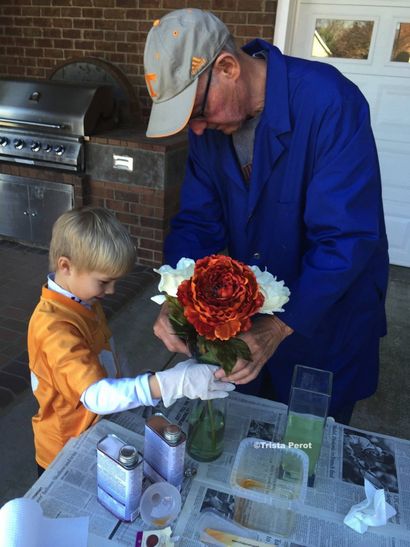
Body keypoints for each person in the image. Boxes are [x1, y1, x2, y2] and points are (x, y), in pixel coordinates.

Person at [143, 8, 389, 424]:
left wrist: (278, 327)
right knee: (247, 448)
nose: (196, 130)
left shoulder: (330, 102)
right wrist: (176, 299)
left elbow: (346, 239)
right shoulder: (210, 129)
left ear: (227, 67)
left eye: (198, 112)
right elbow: (198, 223)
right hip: (247, 325)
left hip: (326, 321)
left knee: (305, 451)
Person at [28, 207, 234, 474]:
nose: (112, 290)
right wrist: (168, 383)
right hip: (64, 450)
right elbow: (96, 396)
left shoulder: (82, 299)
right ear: (65, 266)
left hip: (98, 429)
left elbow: (106, 357)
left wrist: (143, 387)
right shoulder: (53, 326)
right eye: (104, 282)